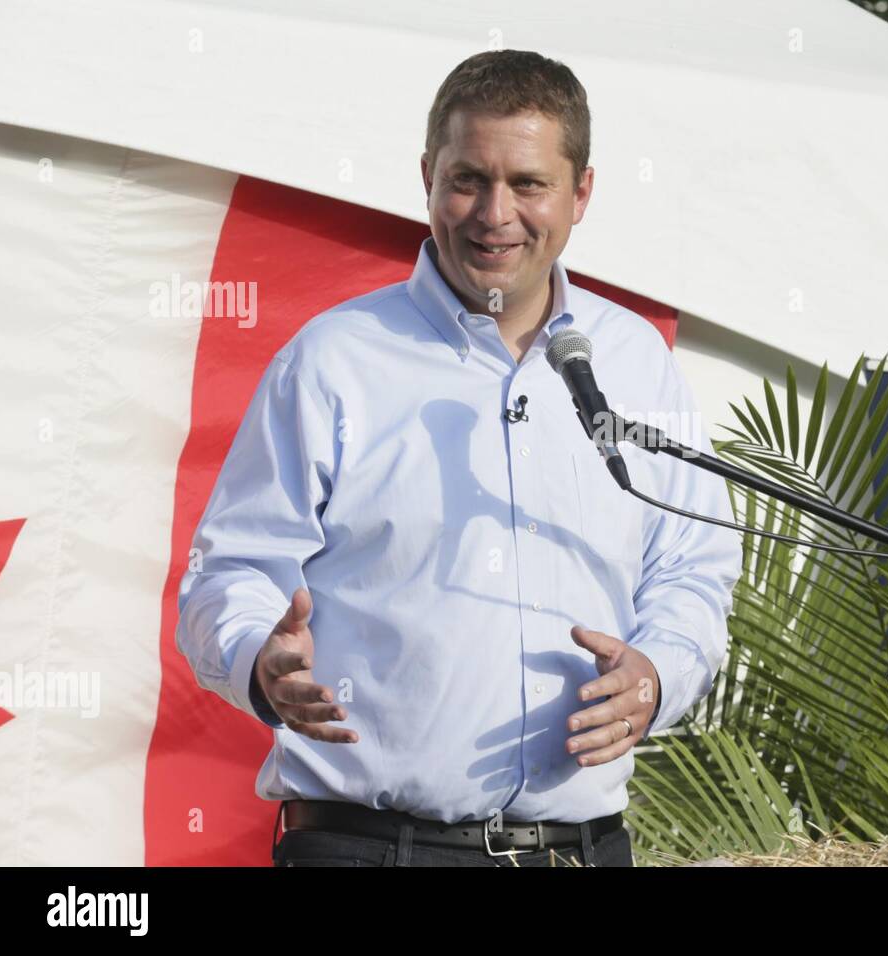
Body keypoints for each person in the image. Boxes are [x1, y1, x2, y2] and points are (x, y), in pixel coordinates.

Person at [175, 48, 741, 867]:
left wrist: (657, 676)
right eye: (468, 179)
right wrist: (259, 658)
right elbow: (226, 571)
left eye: (529, 184)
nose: (494, 212)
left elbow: (693, 570)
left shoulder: (633, 362)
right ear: (427, 178)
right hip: (367, 847)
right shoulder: (335, 358)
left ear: (581, 193)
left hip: (579, 849)